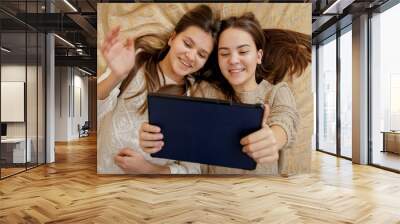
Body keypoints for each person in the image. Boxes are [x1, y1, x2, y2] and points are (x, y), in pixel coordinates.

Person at [139, 12, 311, 174]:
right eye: (224, 53)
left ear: (258, 56)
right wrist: (156, 138)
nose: (233, 60)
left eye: (243, 51)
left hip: (259, 194)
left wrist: (274, 137)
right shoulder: (205, 92)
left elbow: (286, 120)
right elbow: (185, 143)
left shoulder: (276, 92)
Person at [97, 5, 219, 174]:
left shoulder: (196, 96)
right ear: (172, 38)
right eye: (187, 44)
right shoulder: (134, 61)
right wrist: (115, 76)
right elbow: (94, 113)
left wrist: (147, 169)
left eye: (202, 54)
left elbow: (191, 168)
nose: (191, 56)